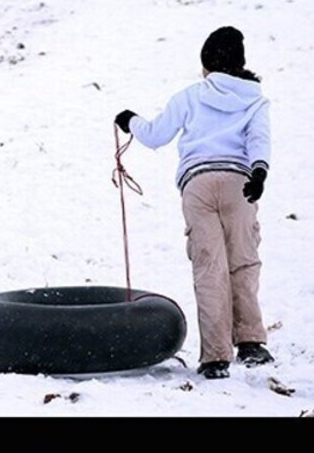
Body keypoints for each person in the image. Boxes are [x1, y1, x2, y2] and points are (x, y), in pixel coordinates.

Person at [114, 26, 273, 380]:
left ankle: (216, 357)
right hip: (240, 185)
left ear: (207, 64)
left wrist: (129, 120)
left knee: (209, 267)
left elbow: (156, 135)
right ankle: (251, 342)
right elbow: (259, 140)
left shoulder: (190, 96)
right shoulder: (255, 101)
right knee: (244, 261)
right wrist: (258, 173)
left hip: (198, 187)